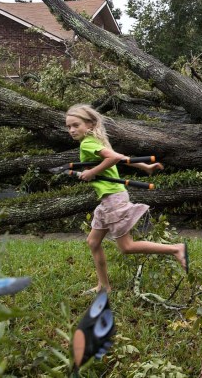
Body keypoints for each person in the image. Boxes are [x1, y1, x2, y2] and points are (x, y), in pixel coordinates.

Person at [65, 104, 188, 294]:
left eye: (76, 125)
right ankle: (104, 286)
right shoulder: (96, 140)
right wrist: (144, 167)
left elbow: (113, 158)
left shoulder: (87, 143)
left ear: (89, 124)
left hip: (113, 199)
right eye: (68, 127)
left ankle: (176, 249)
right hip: (110, 199)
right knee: (93, 242)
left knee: (127, 247)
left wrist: (91, 172)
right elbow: (120, 157)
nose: (72, 130)